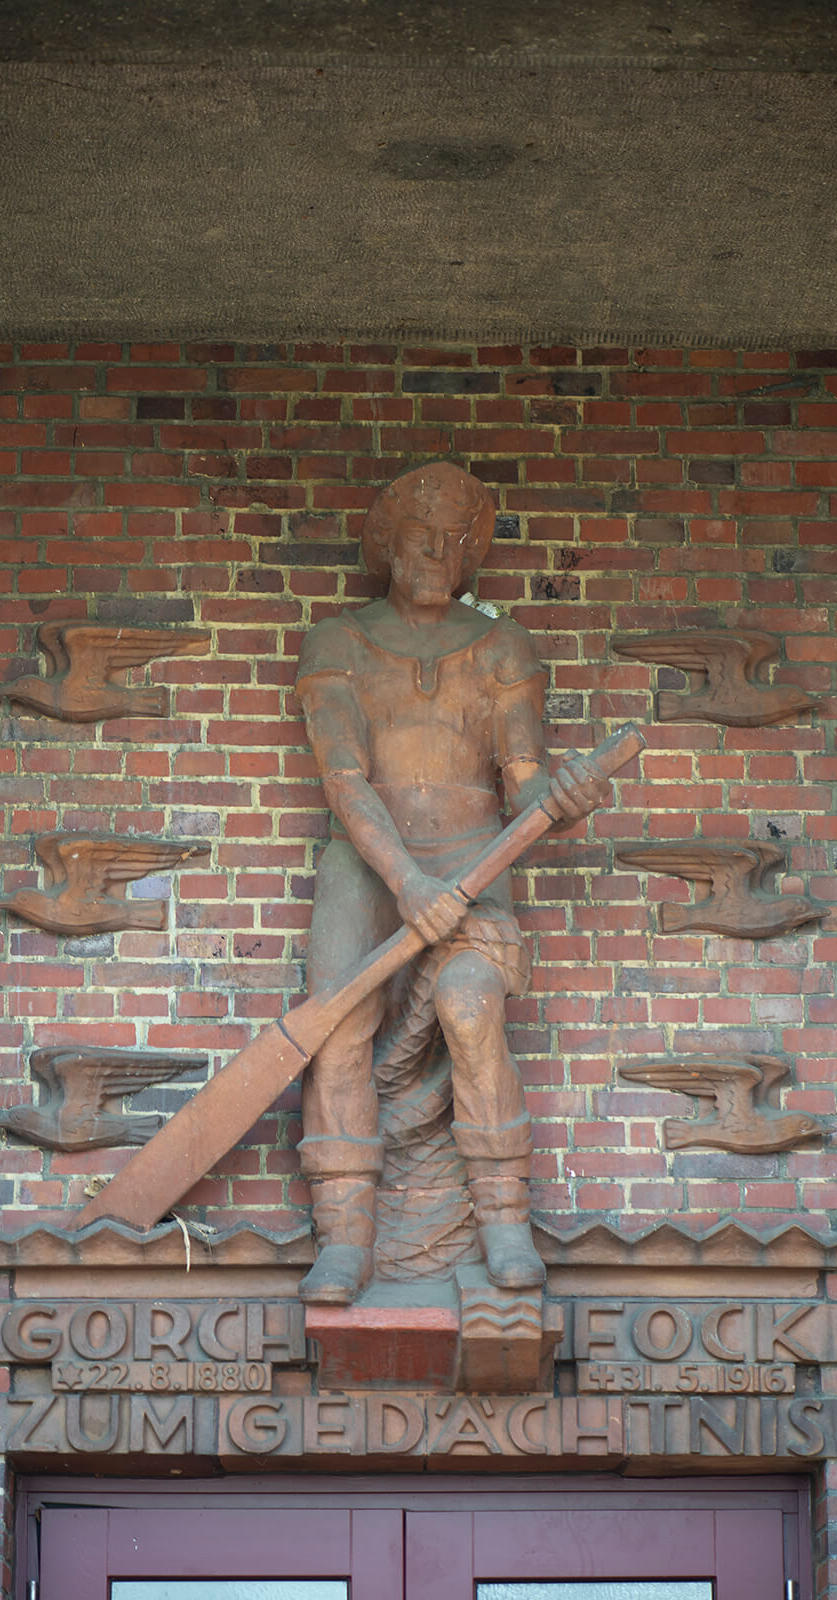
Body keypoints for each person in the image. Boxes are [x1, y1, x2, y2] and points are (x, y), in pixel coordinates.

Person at [295, 461, 607, 1304]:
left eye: (455, 540)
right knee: (338, 1024)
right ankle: (347, 1237)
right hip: (367, 862)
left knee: (470, 1005)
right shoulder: (337, 641)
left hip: (478, 859)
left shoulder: (503, 646)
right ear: (388, 544)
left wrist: (559, 799)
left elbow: (524, 776)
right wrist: (404, 879)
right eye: (421, 535)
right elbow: (345, 779)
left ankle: (504, 1221)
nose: (438, 552)